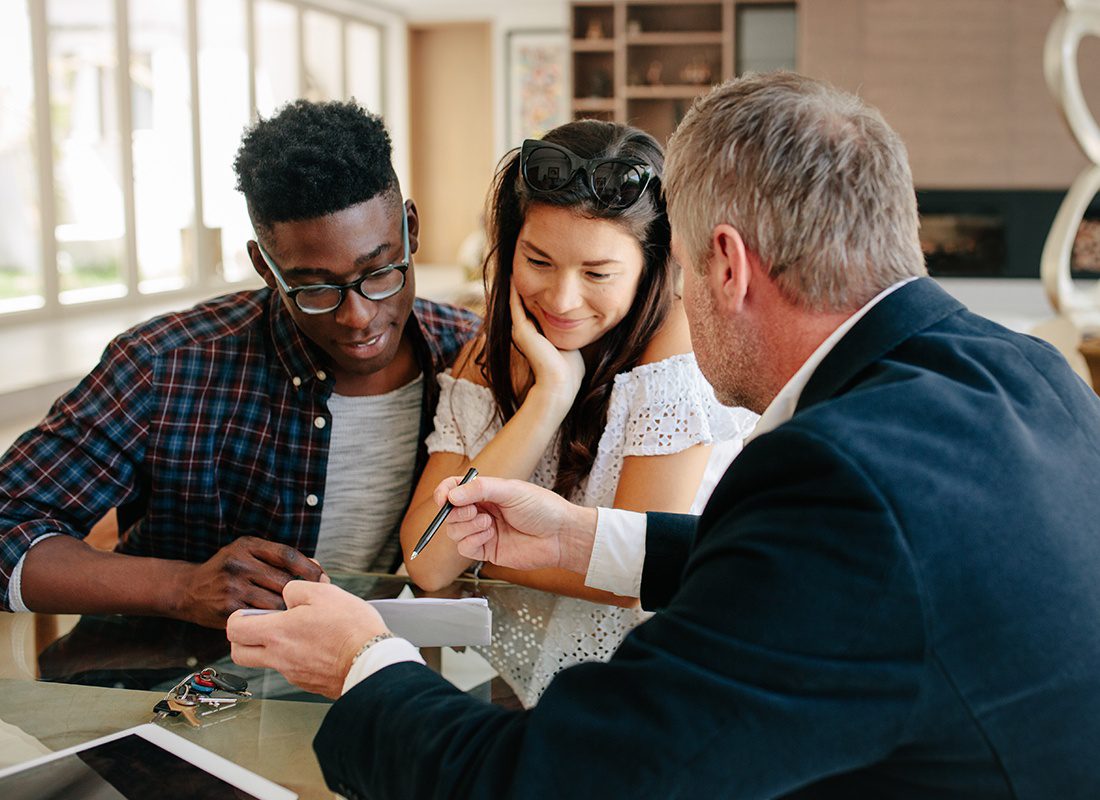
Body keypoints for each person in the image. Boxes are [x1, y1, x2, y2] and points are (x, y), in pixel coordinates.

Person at [228, 72, 1100, 798]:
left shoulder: (839, 475)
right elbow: (839, 573)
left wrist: (364, 665)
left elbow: (554, 786)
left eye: (669, 263)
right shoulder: (1025, 371)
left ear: (723, 264)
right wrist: (581, 536)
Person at [0, 100, 478, 627]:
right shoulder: (167, 364)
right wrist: (181, 587)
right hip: (166, 683)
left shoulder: (470, 359)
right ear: (265, 268)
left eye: (381, 271)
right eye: (314, 288)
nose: (358, 316)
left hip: (365, 679)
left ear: (411, 229)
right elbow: (7, 526)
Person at [398, 120, 756, 704]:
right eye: (538, 261)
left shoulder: (678, 360)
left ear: (652, 267)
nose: (563, 300)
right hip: (522, 682)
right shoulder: (485, 356)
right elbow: (429, 562)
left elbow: (632, 571)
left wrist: (482, 558)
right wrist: (548, 399)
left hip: (654, 689)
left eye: (597, 274)